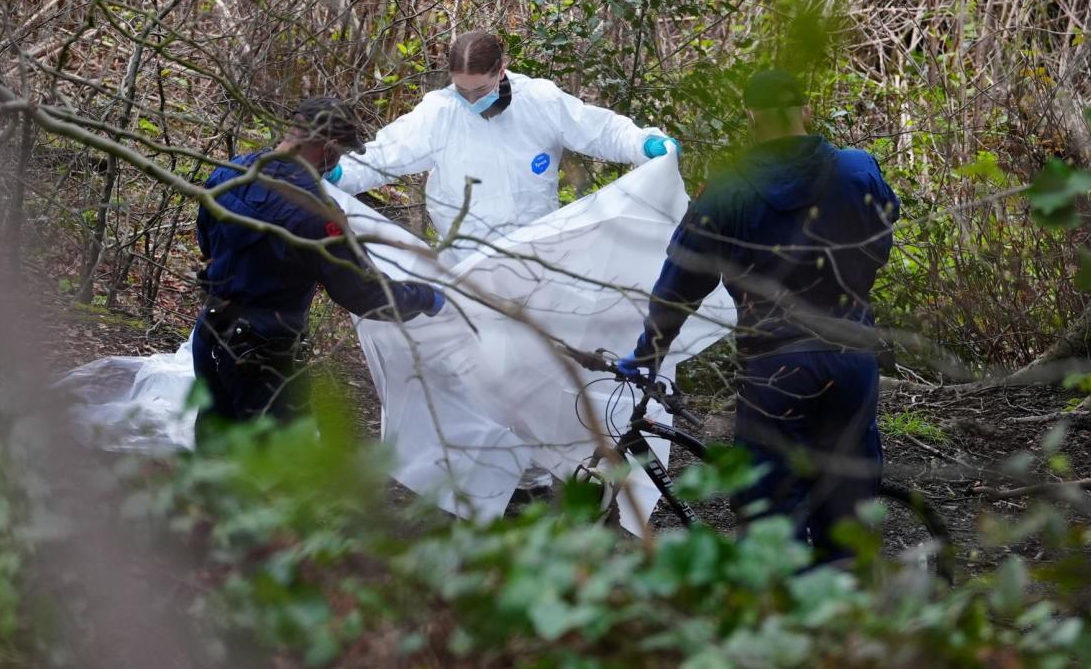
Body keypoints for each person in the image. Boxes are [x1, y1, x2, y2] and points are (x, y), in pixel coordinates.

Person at [615, 69, 901, 564]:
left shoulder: (727, 190)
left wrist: (649, 354)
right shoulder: (858, 170)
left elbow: (681, 281)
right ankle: (850, 623)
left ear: (751, 115)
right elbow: (879, 241)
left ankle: (788, 622)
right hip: (850, 355)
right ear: (805, 110)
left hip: (776, 367)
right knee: (848, 508)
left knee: (771, 514)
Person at [193, 96, 445, 449]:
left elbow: (205, 239)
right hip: (262, 359)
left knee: (214, 442)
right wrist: (426, 296)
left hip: (210, 334)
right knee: (277, 464)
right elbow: (365, 293)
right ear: (328, 148)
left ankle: (204, 503)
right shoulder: (316, 214)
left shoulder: (232, 172)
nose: (337, 163)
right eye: (340, 153)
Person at [324, 30, 677, 262]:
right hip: (468, 266)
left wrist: (642, 143)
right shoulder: (440, 113)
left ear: (502, 69)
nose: (471, 99)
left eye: (480, 90)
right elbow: (385, 154)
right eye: (462, 90)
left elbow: (598, 130)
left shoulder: (539, 101)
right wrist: (338, 173)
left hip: (537, 257)